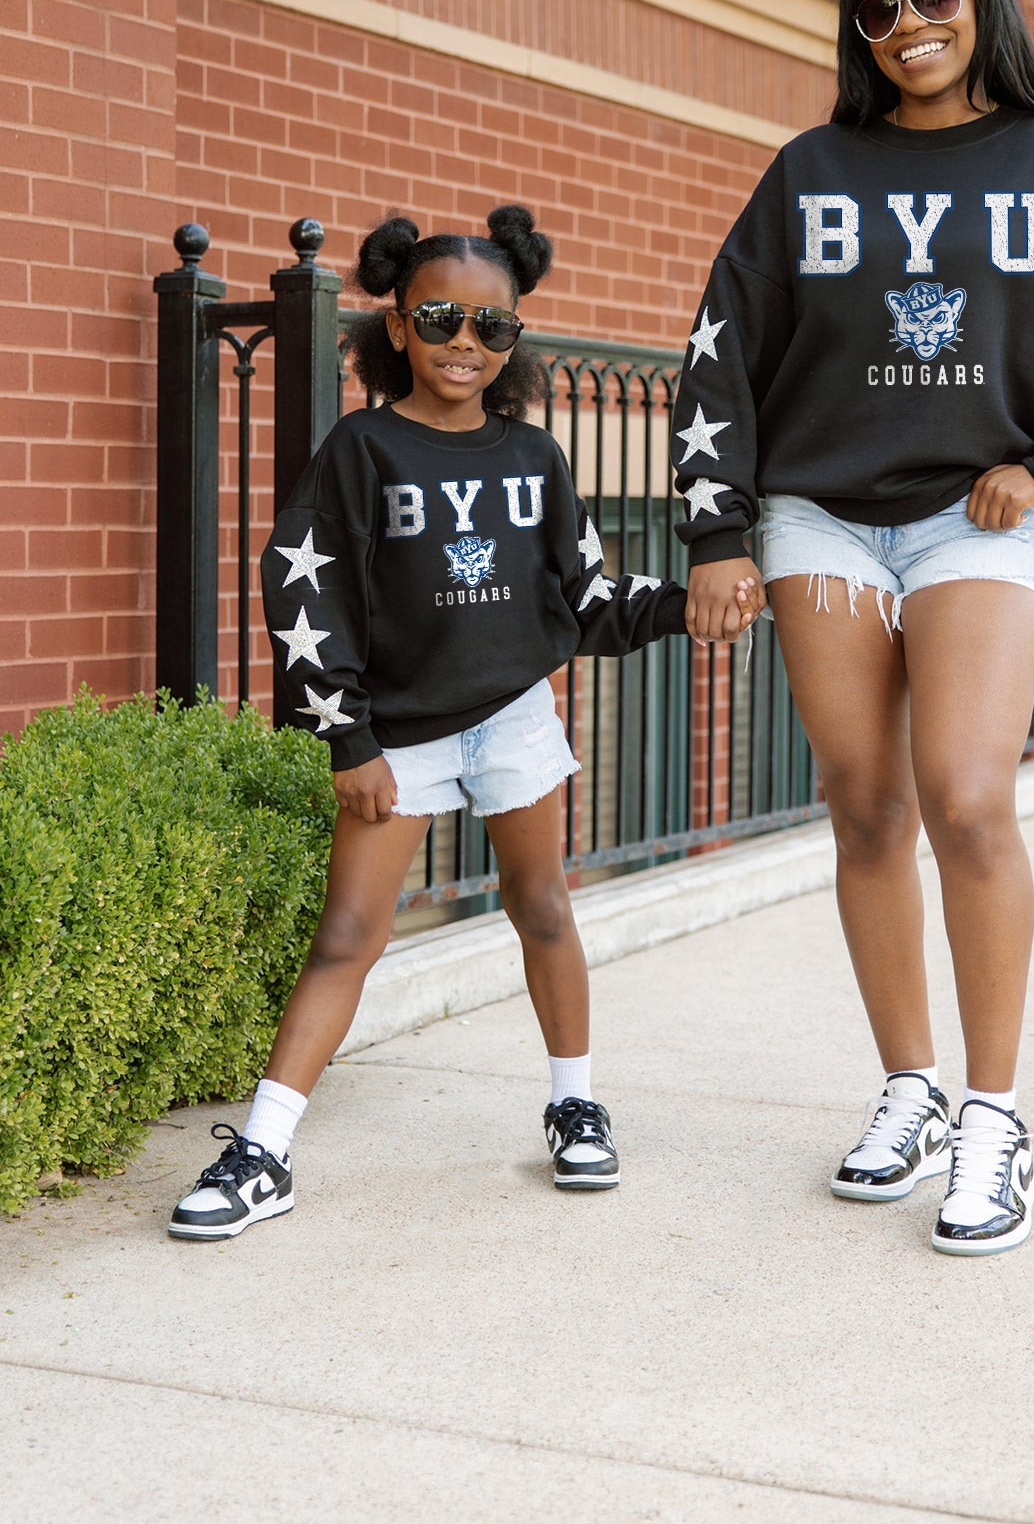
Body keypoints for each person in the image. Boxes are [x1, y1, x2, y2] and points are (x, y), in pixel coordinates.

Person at [674, 0, 1034, 1255]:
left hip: (973, 516)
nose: (908, 25)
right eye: (879, 8)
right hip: (817, 520)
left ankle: (993, 1116)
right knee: (865, 808)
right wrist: (716, 533)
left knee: (967, 799)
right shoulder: (811, 171)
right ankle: (907, 1086)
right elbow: (722, 351)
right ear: (856, 31)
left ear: (981, 0)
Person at [170, 205, 757, 1239]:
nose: (465, 343)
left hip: (513, 718)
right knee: (347, 934)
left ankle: (573, 1103)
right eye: (441, 319)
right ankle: (264, 1150)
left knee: (542, 907)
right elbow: (303, 591)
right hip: (397, 735)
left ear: (513, 338)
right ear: (397, 324)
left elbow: (583, 598)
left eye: (493, 326)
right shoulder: (362, 448)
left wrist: (685, 606)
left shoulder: (534, 455)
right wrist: (347, 736)